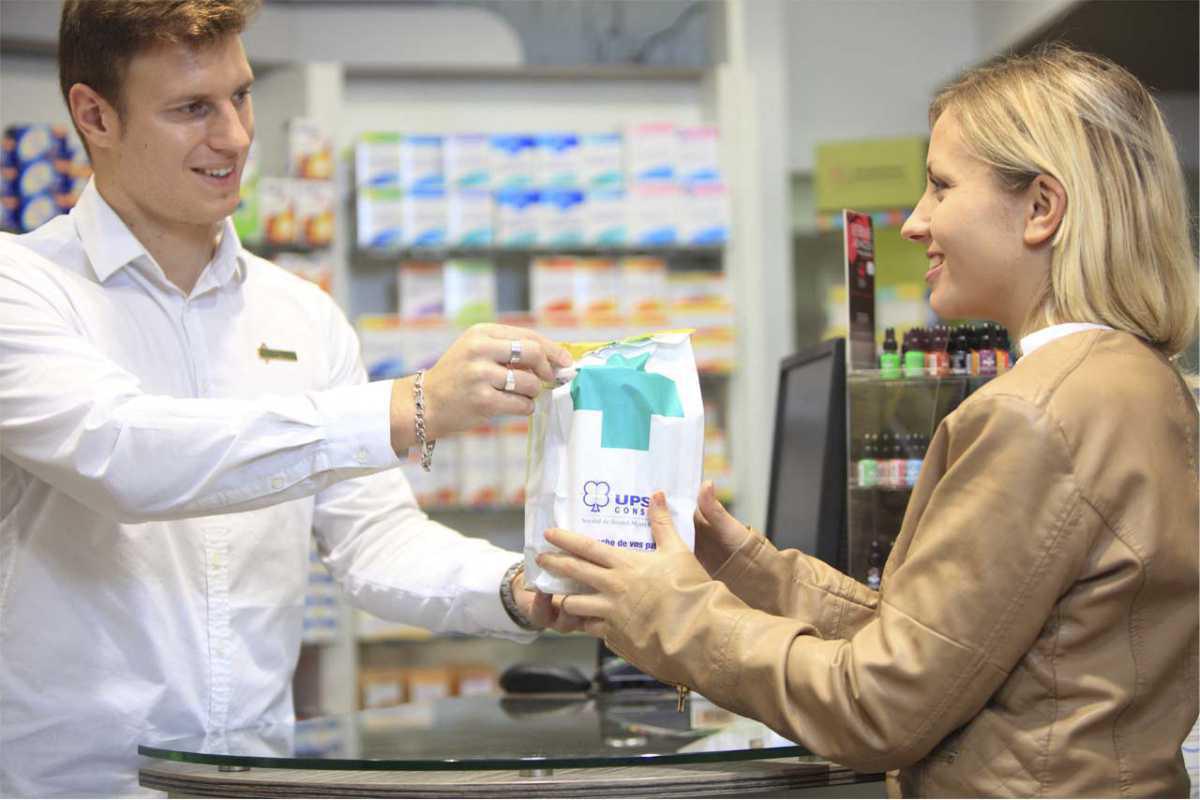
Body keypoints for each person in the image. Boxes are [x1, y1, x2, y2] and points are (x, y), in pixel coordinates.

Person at [536, 45, 1199, 797]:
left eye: (941, 188)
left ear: (1042, 209)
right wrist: (739, 565)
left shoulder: (1034, 412)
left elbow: (878, 706)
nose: (915, 223)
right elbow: (940, 645)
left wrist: (671, 613)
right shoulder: (1136, 382)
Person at [0, 1, 567, 795]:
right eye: (191, 108)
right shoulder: (23, 287)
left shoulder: (300, 315)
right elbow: (125, 455)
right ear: (94, 115)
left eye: (240, 95)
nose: (233, 136)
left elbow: (374, 541)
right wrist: (404, 408)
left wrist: (519, 589)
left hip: (254, 781)